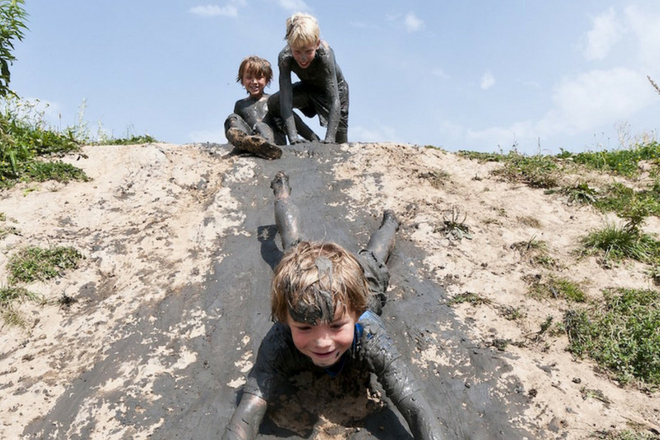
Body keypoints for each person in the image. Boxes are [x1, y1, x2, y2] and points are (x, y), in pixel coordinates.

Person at [221, 171, 444, 440]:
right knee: (292, 245)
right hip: (312, 280)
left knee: (373, 259)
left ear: (357, 315)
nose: (323, 342)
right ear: (283, 319)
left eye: (337, 325)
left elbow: (414, 404)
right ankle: (281, 192)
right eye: (304, 327)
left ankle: (391, 221)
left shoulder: (370, 335)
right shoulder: (278, 341)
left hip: (360, 283)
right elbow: (250, 408)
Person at [267, 13, 349, 145]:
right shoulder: (285, 58)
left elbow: (334, 100)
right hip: (308, 88)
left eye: (308, 52)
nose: (303, 58)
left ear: (317, 45)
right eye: (297, 52)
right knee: (274, 103)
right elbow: (285, 99)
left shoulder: (325, 55)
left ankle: (334, 141)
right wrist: (293, 138)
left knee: (340, 142)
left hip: (335, 93)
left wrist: (329, 139)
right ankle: (313, 139)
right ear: (290, 45)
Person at [225, 56, 319, 160]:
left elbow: (294, 119)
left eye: (259, 77)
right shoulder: (240, 105)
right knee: (232, 118)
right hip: (253, 140)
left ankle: (267, 148)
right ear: (242, 80)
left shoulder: (273, 101)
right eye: (249, 77)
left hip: (273, 141)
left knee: (261, 125)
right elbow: (237, 127)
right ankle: (243, 143)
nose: (254, 82)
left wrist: (313, 138)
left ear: (267, 79)